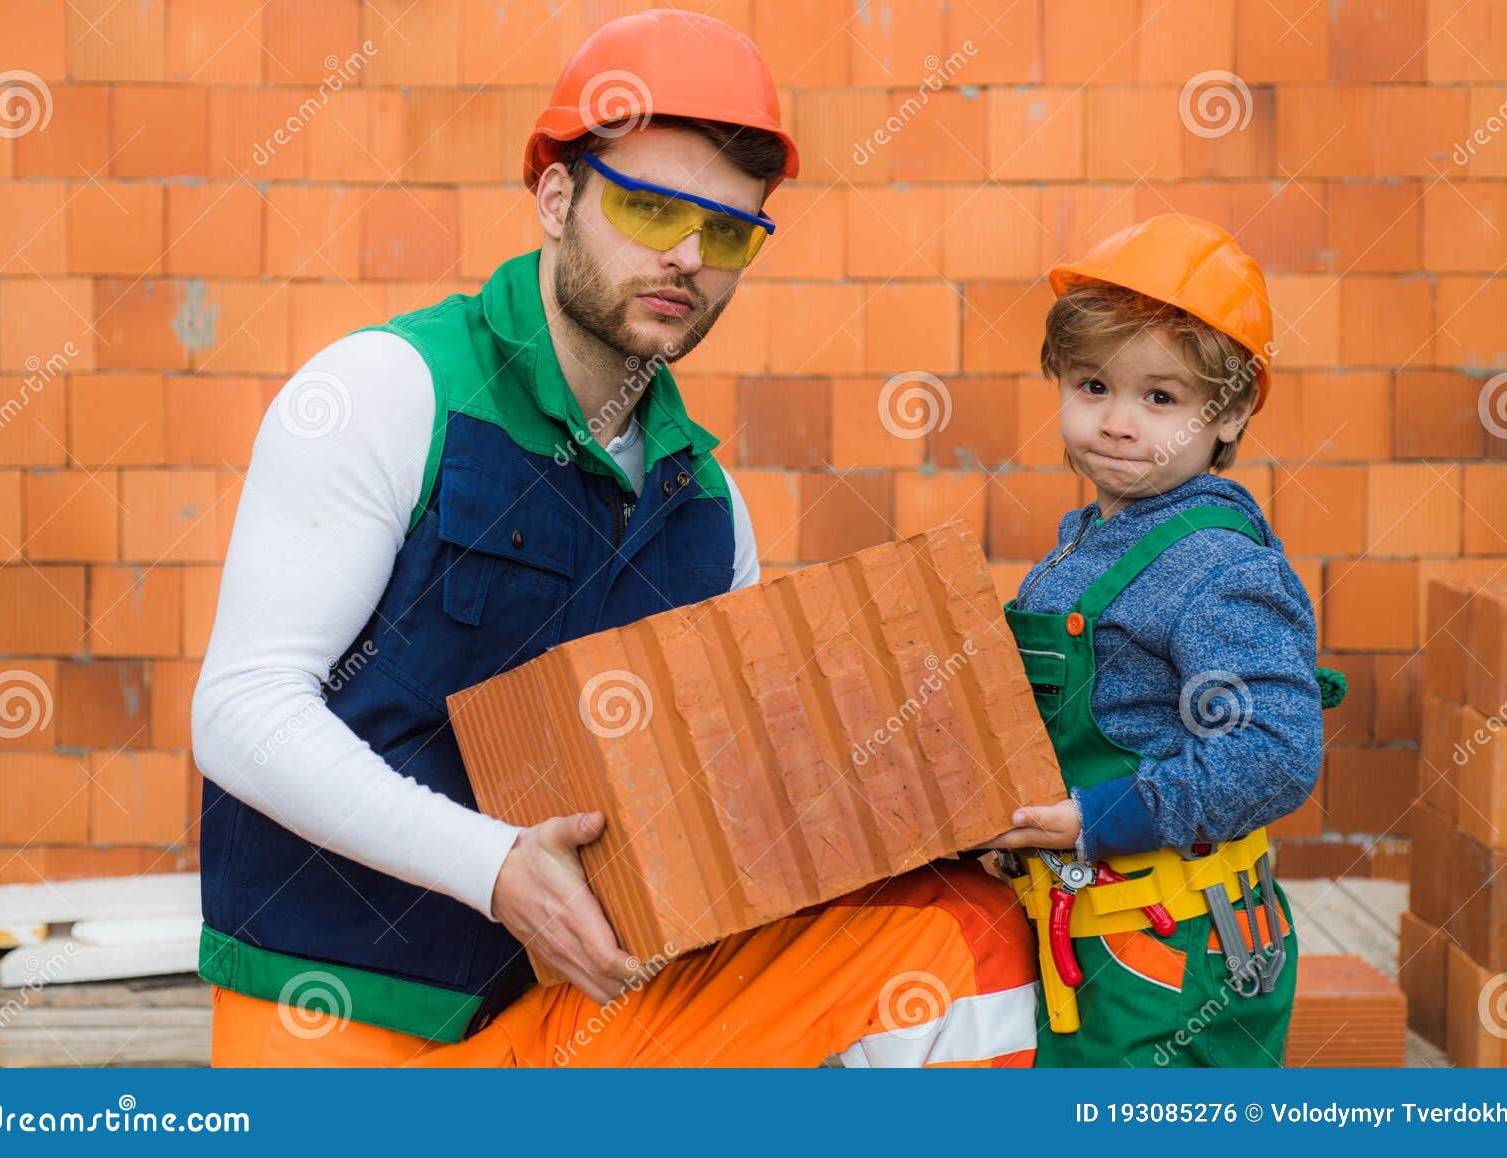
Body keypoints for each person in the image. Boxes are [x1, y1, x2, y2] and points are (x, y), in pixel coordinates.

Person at [192, 8, 1038, 1068]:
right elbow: (240, 713)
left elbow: (724, 811)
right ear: (555, 197)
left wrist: (923, 804)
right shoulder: (389, 393)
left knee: (958, 929)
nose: (686, 255)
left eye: (727, 231)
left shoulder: (706, 508)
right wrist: (494, 865)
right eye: (646, 208)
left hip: (576, 1018)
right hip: (345, 1018)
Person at [987, 215, 1341, 1067]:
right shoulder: (1083, 543)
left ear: (1232, 413)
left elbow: (1277, 749)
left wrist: (1102, 817)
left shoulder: (1214, 567)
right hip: (1090, 940)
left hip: (1178, 958)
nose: (1116, 422)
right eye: (1092, 386)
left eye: (1161, 399)